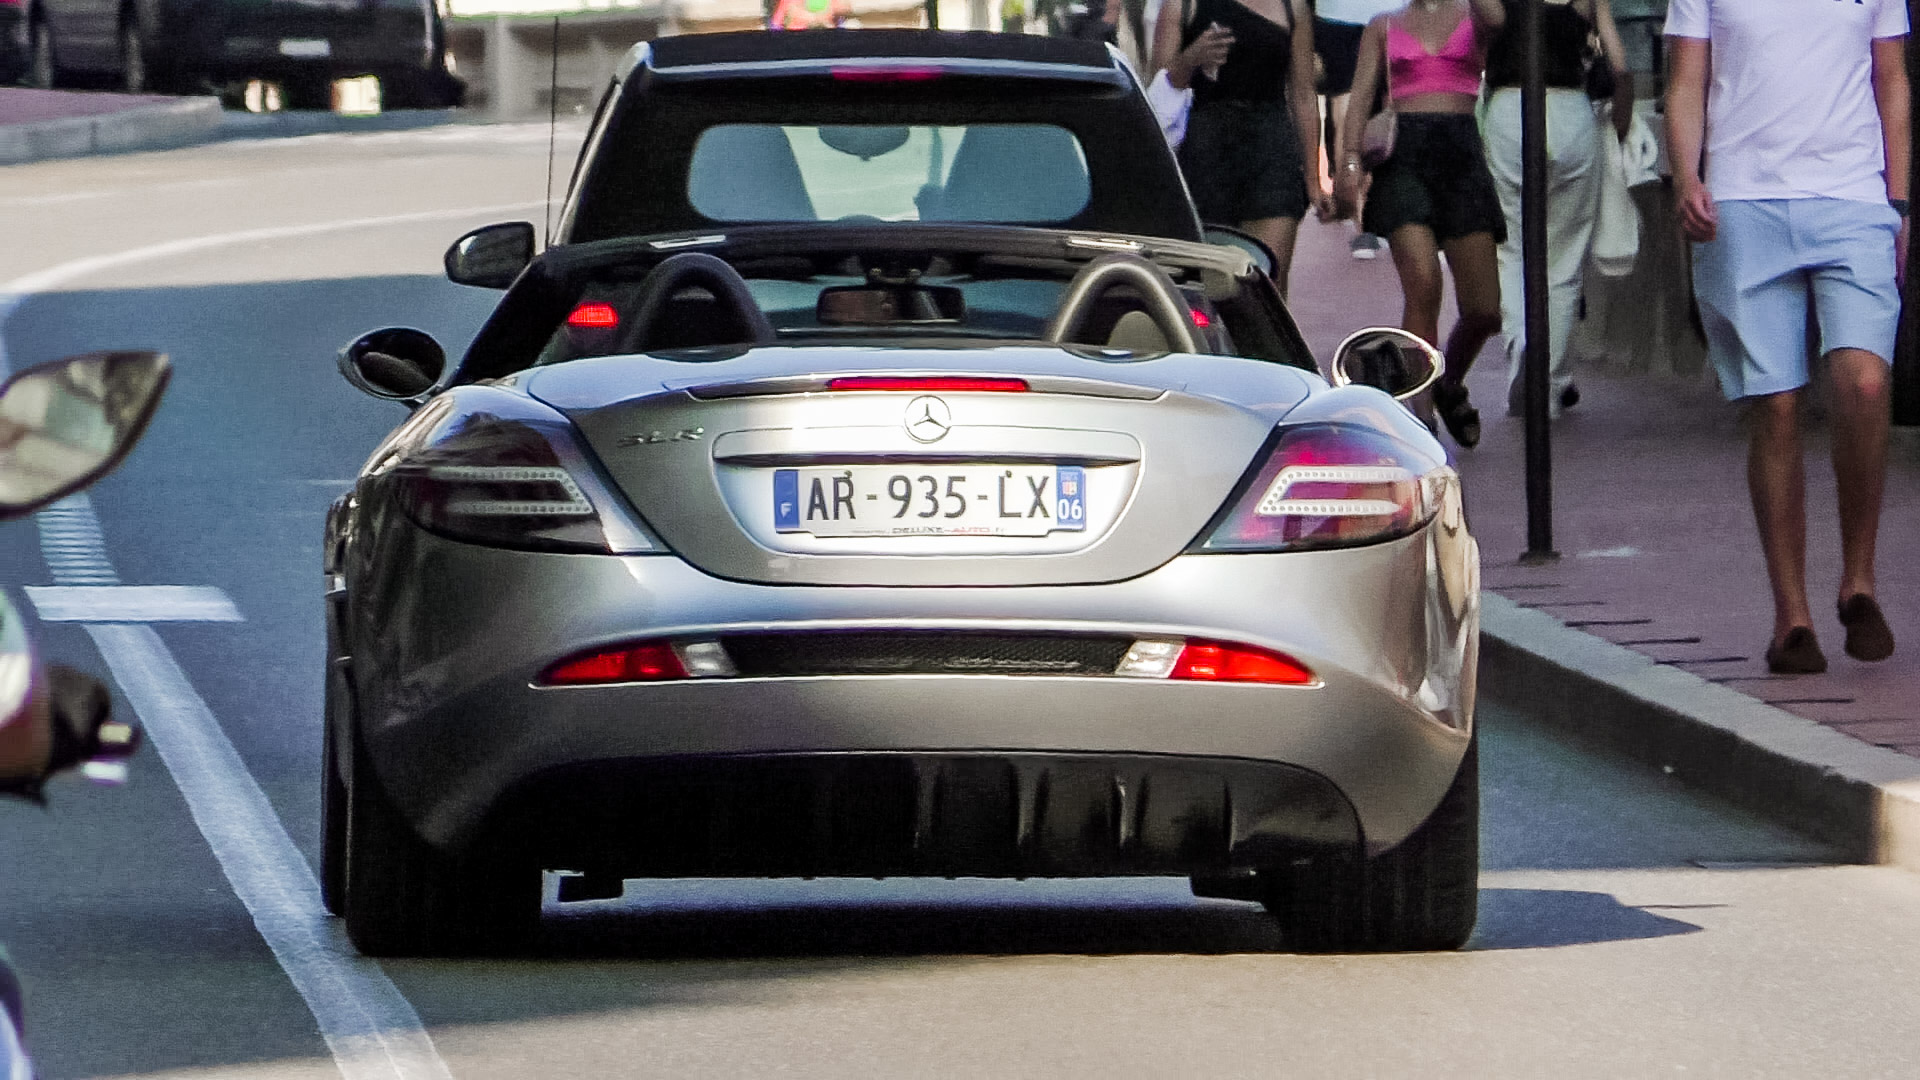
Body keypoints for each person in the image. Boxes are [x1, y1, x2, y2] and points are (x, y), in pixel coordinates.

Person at [1666, 0, 1908, 673]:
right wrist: (1688, 177)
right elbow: (1686, 80)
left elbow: (1891, 78)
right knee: (1775, 405)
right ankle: (1791, 617)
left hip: (1854, 200)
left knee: (1864, 381)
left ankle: (1858, 578)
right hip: (1742, 203)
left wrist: (1899, 200)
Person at [1333, 0, 1506, 447]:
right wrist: (1349, 167)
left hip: (1461, 154)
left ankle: (1448, 380)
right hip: (1404, 158)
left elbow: (1497, 20)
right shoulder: (1383, 25)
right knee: (1424, 284)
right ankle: (1421, 416)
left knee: (1485, 309)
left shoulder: (1474, 14)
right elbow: (1359, 99)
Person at [1482, 0, 1630, 420]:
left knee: (1511, 247)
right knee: (1563, 260)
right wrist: (1619, 129)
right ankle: (1549, 381)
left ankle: (1522, 347)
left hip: (1510, 108)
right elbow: (1619, 66)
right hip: (1570, 111)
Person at [1152, 0, 1332, 298]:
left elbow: (1303, 94)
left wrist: (1314, 181)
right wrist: (1191, 58)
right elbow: (1158, 90)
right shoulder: (1182, 6)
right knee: (1214, 285)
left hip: (1271, 146)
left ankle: (1268, 345)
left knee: (1267, 281)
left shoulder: (1292, 7)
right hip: (1205, 149)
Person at [1313, 0, 1404, 259]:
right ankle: (1363, 217)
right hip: (1364, 16)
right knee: (1376, 109)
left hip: (1346, 17)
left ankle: (1361, 212)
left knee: (1354, 110)